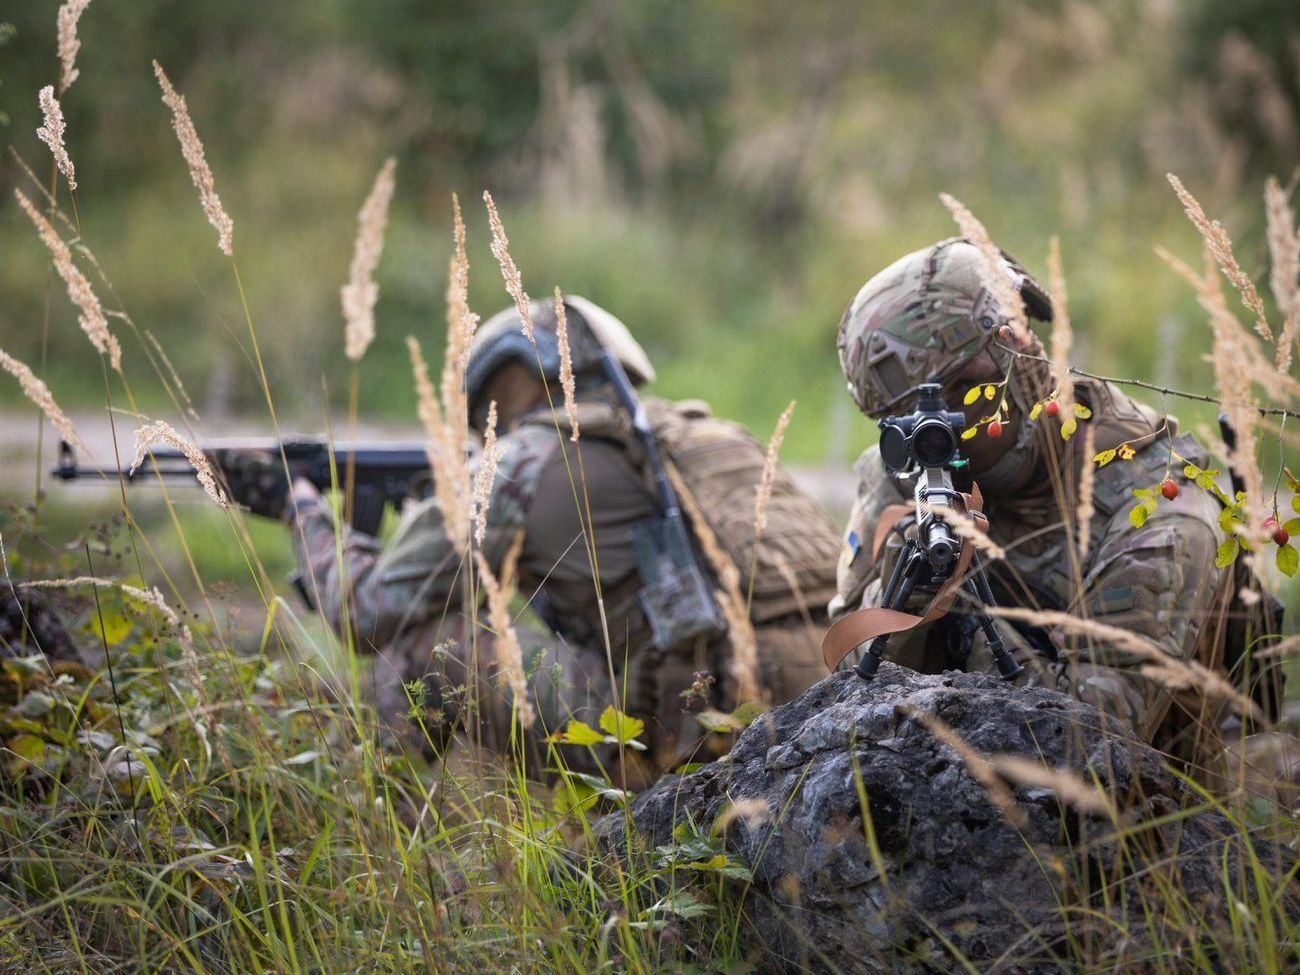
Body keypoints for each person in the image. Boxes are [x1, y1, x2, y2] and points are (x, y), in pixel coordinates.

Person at [276, 295, 841, 783]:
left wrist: (304, 510)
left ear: (501, 385)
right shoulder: (709, 435)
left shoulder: (520, 461)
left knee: (415, 649)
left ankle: (378, 836)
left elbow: (363, 609)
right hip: (823, 699)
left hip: (682, 727)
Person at [829, 237, 1282, 773]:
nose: (934, 435)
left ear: (1016, 363)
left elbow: (1095, 739)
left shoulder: (1155, 502)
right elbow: (844, 690)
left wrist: (963, 621)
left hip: (1153, 799)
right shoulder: (909, 467)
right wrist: (909, 606)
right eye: (899, 420)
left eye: (950, 402)